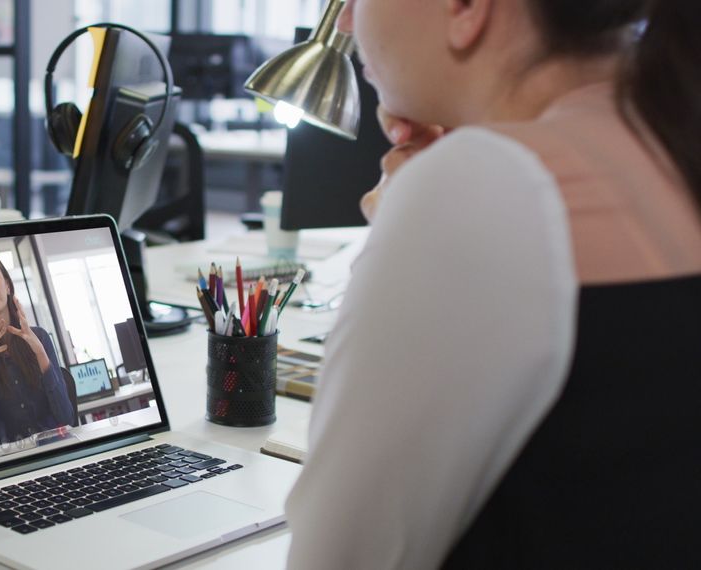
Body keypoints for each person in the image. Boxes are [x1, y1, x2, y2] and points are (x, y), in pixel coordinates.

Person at [286, 0, 701, 567]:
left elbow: (336, 558)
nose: (345, 22)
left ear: (466, 7)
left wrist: (407, 225)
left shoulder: (483, 188)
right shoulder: (670, 141)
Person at [0, 244, 75, 450]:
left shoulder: (38, 336)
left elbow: (67, 418)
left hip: (54, 450)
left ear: (7, 284)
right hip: (15, 460)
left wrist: (39, 352)